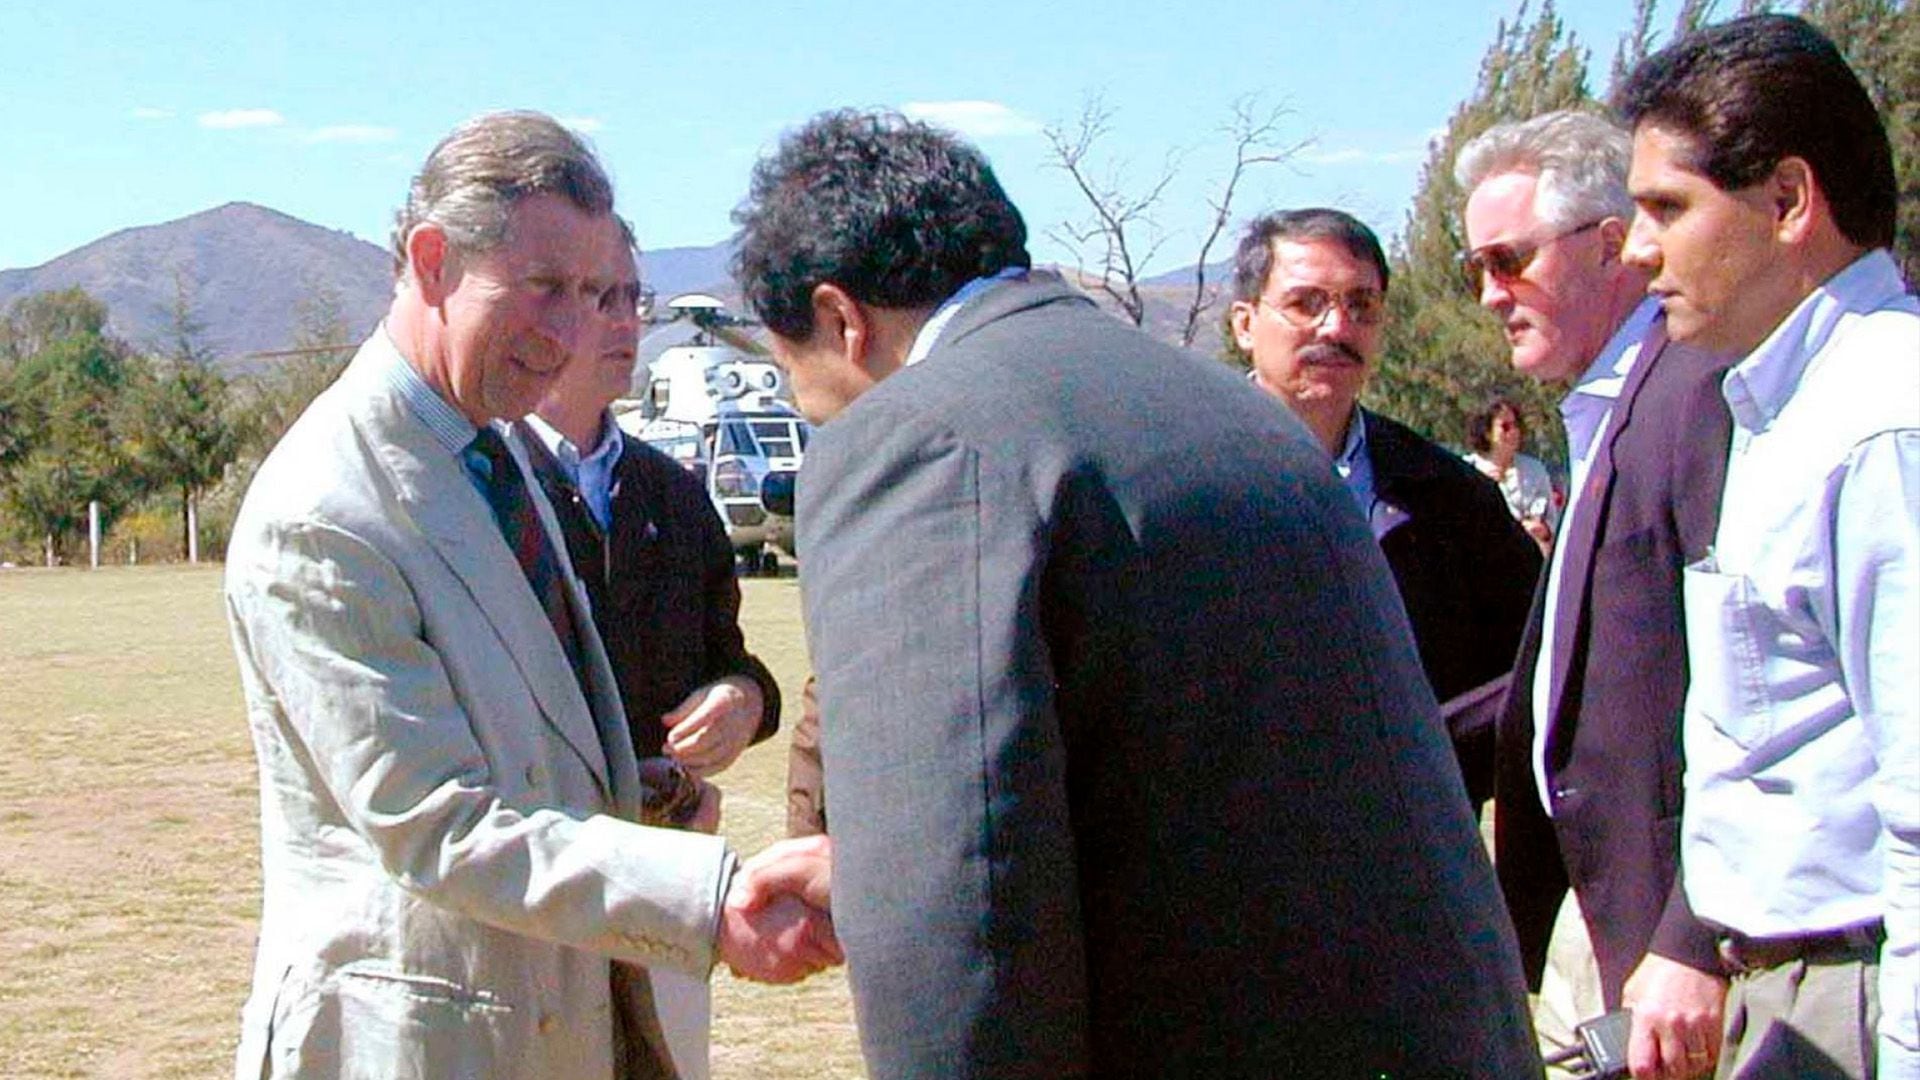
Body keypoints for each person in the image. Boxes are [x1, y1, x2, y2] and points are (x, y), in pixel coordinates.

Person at [732, 107, 1539, 1079]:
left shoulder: (922, 436)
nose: (814, 409)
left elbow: (963, 903)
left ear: (839, 320)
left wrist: (907, 889)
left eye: (796, 377)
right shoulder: (1239, 417)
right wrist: (873, 879)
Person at [223, 110, 837, 1080]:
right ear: (432, 263)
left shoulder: (492, 456)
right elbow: (437, 823)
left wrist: (645, 791)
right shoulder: (328, 510)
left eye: (593, 293)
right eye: (543, 288)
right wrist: (700, 897)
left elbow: (534, 743)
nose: (569, 332)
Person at [1617, 16, 1917, 1077]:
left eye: (1668, 207)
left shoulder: (1883, 422)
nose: (1634, 248)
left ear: (1788, 201)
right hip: (1788, 996)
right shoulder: (1783, 409)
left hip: (1862, 995)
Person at [1458, 107, 1736, 1080]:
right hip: (1593, 920)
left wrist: (1694, 931)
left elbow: (1748, 686)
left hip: (1673, 933)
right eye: (1474, 270)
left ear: (1611, 244)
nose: (1490, 296)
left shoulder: (1694, 394)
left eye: (1508, 260)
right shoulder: (1603, 413)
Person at [510, 223, 787, 1077]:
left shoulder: (674, 494)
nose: (625, 323)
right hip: (530, 889)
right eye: (599, 298)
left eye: (632, 298)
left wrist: (743, 702)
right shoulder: (485, 493)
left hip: (665, 875)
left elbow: (730, 657)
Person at [1228, 208, 1541, 808]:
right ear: (1245, 324)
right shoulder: (1170, 487)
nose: (1336, 326)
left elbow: (1529, 668)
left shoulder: (1449, 498)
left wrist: (1430, 757)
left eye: (1360, 305)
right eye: (1306, 302)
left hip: (1410, 851)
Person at [1464, 396, 1561, 551]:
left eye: (1516, 425)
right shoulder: (1468, 470)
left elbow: (1553, 521)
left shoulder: (1535, 469)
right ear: (1487, 432)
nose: (1514, 432)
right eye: (1505, 427)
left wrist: (1543, 531)